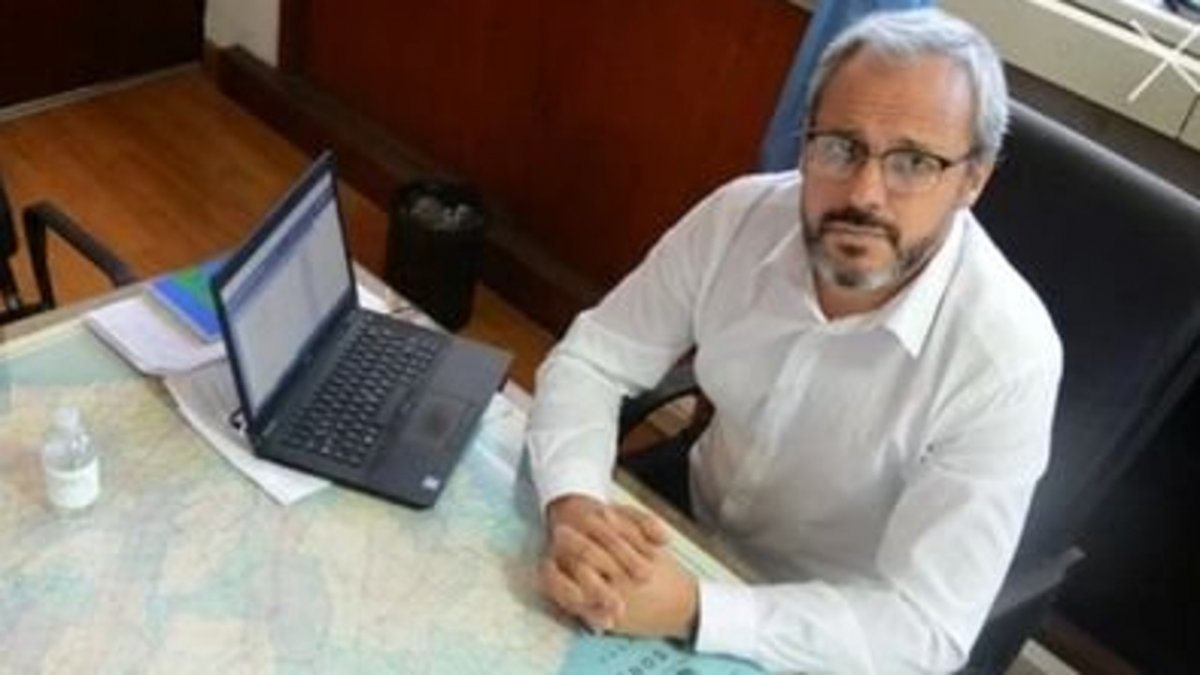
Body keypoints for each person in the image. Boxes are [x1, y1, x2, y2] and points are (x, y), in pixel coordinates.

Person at [526, 8, 1062, 674]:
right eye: (840, 146)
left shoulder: (1007, 358)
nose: (864, 193)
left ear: (972, 179)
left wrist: (696, 608)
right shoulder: (737, 218)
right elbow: (593, 359)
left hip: (828, 630)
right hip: (684, 528)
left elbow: (925, 629)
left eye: (913, 162)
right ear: (805, 140)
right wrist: (575, 502)